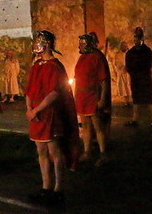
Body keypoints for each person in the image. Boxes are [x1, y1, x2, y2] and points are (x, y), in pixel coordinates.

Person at [25, 30, 79, 207]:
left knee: (54, 153)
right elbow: (29, 90)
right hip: (36, 115)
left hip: (49, 114)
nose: (36, 45)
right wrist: (29, 109)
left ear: (46, 43)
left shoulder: (55, 66)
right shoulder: (36, 65)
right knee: (41, 152)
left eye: (39, 41)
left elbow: (54, 93)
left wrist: (37, 110)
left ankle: (58, 191)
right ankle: (45, 188)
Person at [74, 33, 111, 166]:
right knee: (85, 126)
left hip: (92, 96)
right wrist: (75, 95)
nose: (79, 46)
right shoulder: (81, 58)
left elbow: (104, 80)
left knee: (97, 126)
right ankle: (87, 152)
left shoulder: (97, 58)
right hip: (82, 97)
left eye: (82, 44)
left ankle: (103, 153)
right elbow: (77, 79)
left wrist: (102, 99)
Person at [124, 27, 152, 127]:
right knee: (136, 98)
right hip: (135, 78)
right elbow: (128, 65)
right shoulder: (130, 52)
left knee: (149, 98)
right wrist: (133, 73)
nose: (136, 42)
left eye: (138, 40)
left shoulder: (147, 51)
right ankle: (135, 119)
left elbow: (148, 64)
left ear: (141, 39)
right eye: (135, 40)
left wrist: (142, 72)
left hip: (145, 77)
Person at [112, 41, 132, 106]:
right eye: (123, 46)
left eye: (125, 46)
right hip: (121, 72)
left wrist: (128, 67)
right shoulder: (117, 54)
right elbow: (116, 63)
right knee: (123, 87)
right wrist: (121, 67)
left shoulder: (129, 53)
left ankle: (131, 100)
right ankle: (126, 101)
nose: (124, 47)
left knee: (129, 86)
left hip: (129, 72)